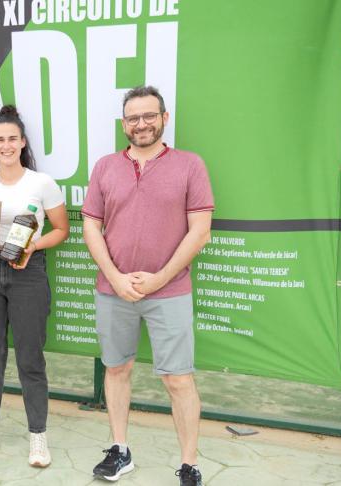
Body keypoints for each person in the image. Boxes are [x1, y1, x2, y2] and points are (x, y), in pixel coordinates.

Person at [82, 86, 214, 485]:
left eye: (148, 116)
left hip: (169, 291)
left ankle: (189, 464)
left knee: (178, 379)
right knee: (117, 368)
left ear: (164, 118)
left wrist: (160, 277)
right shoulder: (106, 166)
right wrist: (116, 277)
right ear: (125, 124)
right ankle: (120, 451)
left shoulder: (190, 165)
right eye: (133, 118)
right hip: (114, 290)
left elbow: (200, 232)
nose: (141, 124)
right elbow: (91, 225)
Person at [0, 105, 69, 467]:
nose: (6, 145)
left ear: (23, 143)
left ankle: (38, 436)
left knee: (30, 359)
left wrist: (33, 245)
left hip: (28, 274)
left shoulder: (42, 183)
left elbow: (61, 230)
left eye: (12, 139)